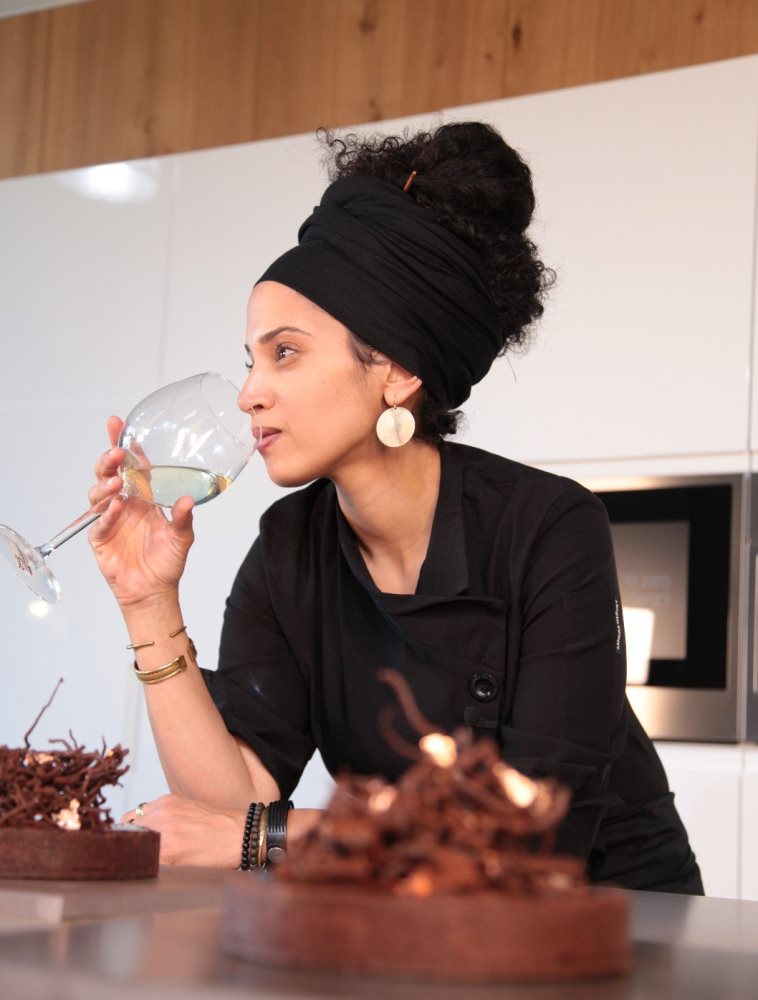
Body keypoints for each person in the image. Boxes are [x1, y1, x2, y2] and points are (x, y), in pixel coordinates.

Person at [89, 122, 703, 892]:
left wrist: (271, 835)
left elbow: (534, 838)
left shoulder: (549, 528)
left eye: (285, 353)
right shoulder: (290, 547)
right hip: (418, 915)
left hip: (616, 921)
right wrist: (147, 602)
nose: (249, 393)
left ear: (397, 371)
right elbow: (229, 806)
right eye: (251, 360)